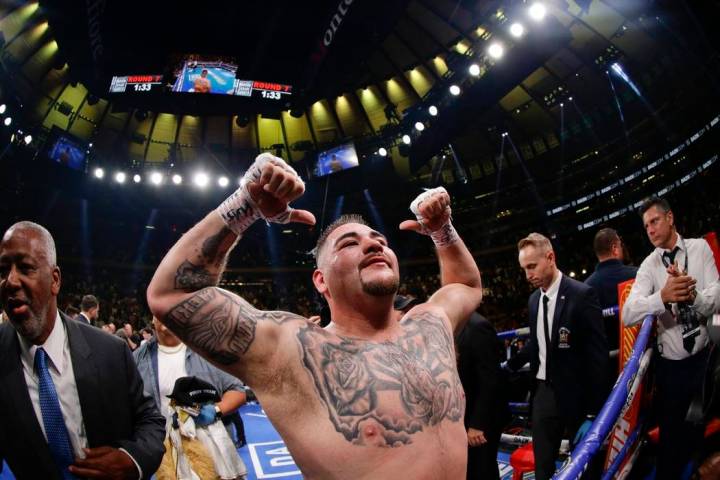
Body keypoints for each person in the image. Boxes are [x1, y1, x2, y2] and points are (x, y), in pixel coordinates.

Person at [146, 153, 483, 480]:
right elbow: (173, 295)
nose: (373, 245)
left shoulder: (429, 324)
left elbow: (465, 285)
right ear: (321, 280)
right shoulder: (292, 348)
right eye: (349, 243)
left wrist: (443, 231)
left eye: (379, 240)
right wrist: (245, 204)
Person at [0, 221, 165, 479]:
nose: (9, 281)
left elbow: (150, 421)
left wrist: (132, 460)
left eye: (25, 268)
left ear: (55, 280)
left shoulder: (110, 351)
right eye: (2, 270)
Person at [622, 197, 720, 479]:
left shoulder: (700, 249)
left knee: (703, 433)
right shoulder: (648, 267)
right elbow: (628, 313)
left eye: (654, 221)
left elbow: (716, 297)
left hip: (705, 360)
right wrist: (661, 297)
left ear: (670, 218)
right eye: (646, 226)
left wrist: (694, 296)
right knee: (671, 443)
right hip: (672, 370)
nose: (650, 230)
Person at [507, 233, 608, 480]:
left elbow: (598, 356)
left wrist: (594, 412)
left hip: (576, 396)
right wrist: (511, 363)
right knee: (542, 468)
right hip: (543, 394)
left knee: (584, 467)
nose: (528, 275)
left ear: (550, 258)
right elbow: (539, 340)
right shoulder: (533, 300)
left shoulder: (581, 294)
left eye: (532, 266)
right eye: (524, 269)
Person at [134, 317, 247, 479]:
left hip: (213, 447)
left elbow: (237, 391)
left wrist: (215, 410)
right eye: (159, 311)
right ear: (152, 316)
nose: (166, 315)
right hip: (165, 452)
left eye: (171, 310)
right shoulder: (137, 359)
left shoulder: (208, 350)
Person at [457, 312, 510, 480]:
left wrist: (477, 424)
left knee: (482, 469)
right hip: (463, 414)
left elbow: (490, 379)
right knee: (470, 469)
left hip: (480, 418)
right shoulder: (451, 325)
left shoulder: (477, 326)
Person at [585, 228, 637, 390]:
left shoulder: (586, 288)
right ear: (615, 248)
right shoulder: (636, 275)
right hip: (638, 356)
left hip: (607, 366)